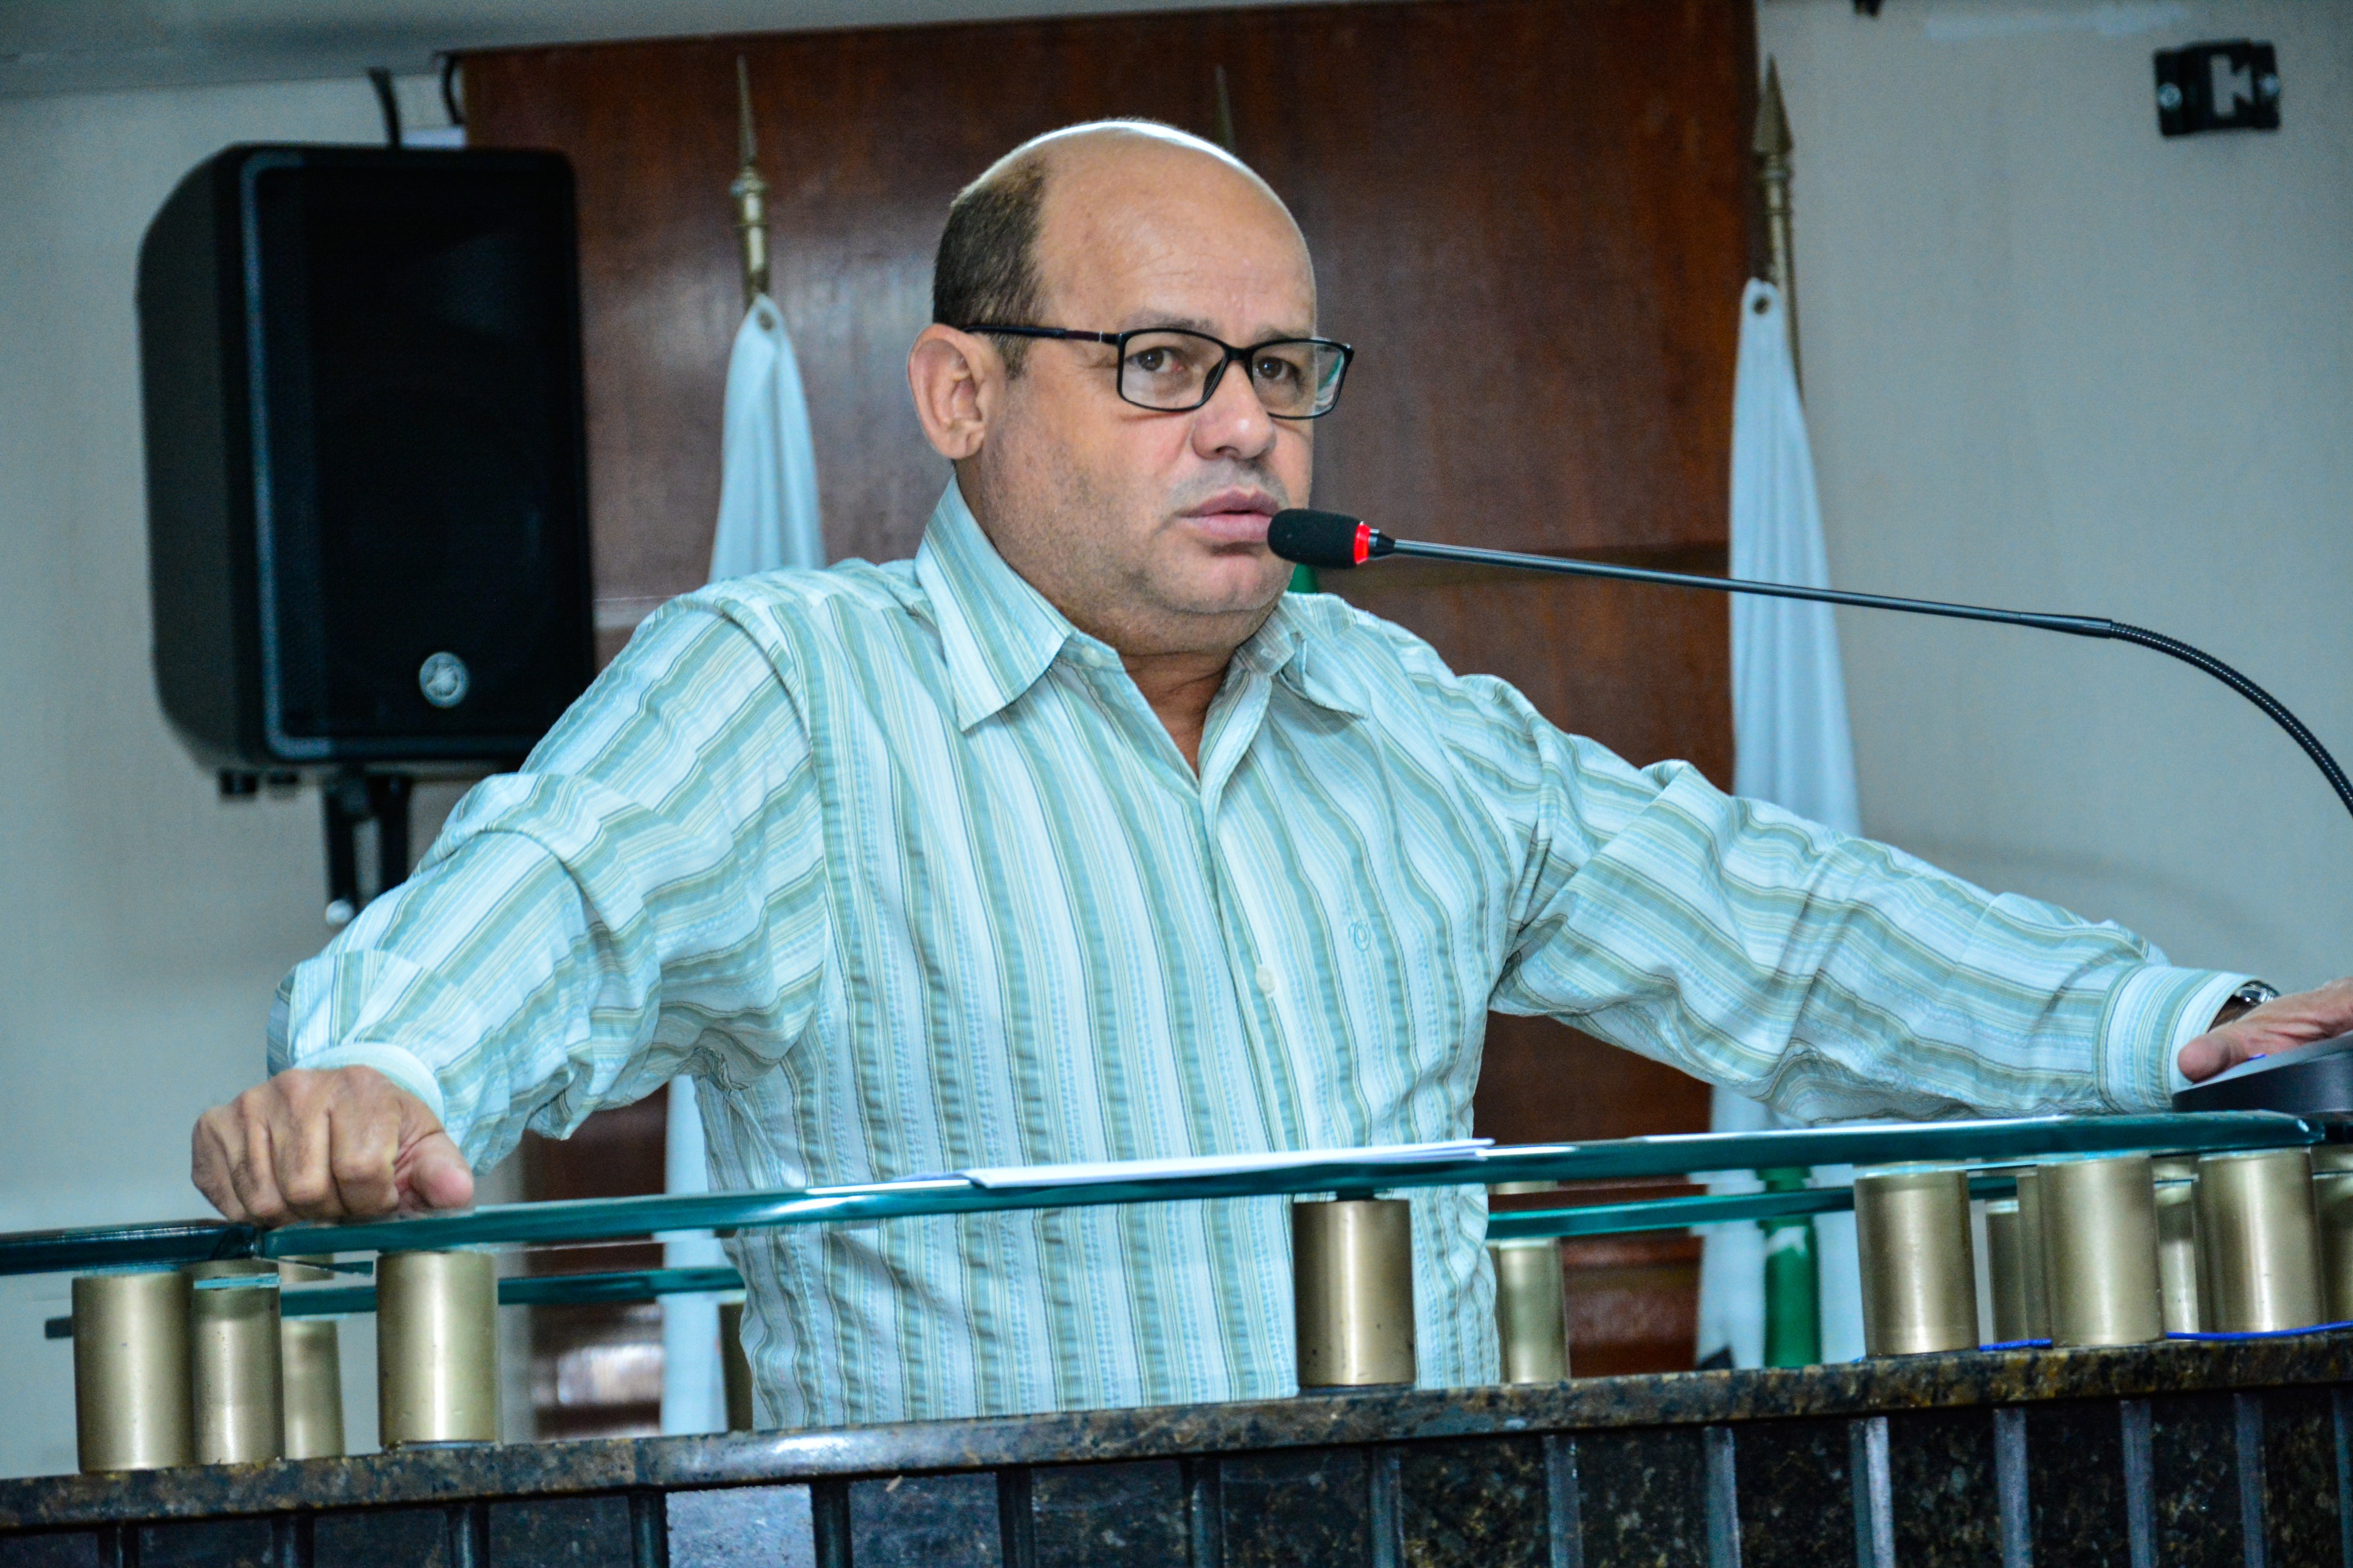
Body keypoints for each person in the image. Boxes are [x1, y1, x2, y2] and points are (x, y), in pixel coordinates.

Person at [191, 121, 2353, 1428]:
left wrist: (2168, 1030)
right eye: (1160, 365)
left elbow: (1774, 934)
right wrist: (378, 1075)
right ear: (960, 393)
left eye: (1284, 367)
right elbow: (549, 906)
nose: (1246, 424)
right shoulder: (791, 697)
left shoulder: (1398, 715)